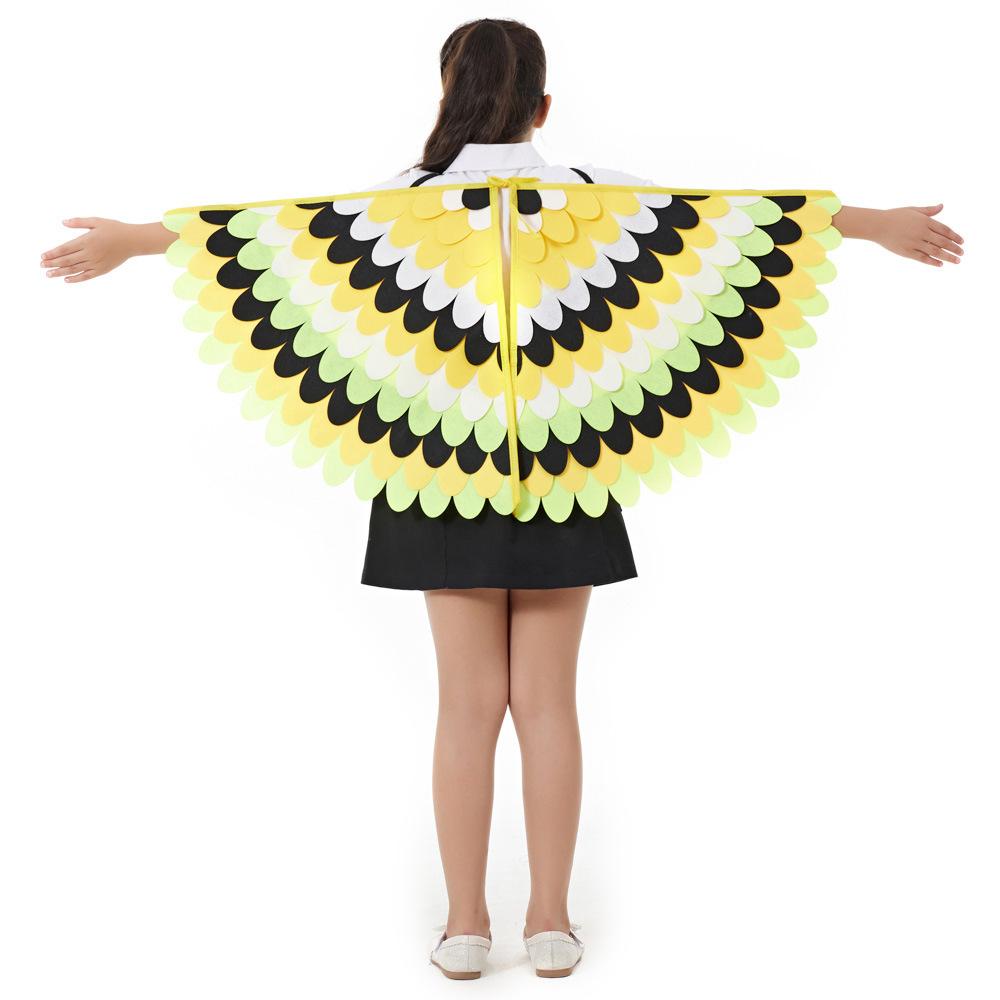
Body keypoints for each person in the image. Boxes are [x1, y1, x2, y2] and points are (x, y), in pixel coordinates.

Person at [38, 15, 964, 982]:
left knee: (467, 705)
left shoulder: (398, 203)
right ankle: (552, 924)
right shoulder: (600, 197)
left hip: (436, 466)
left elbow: (274, 229)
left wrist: (133, 241)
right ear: (543, 107)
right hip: (570, 466)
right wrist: (873, 223)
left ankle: (466, 927)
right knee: (549, 702)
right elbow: (733, 217)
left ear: (447, 96)